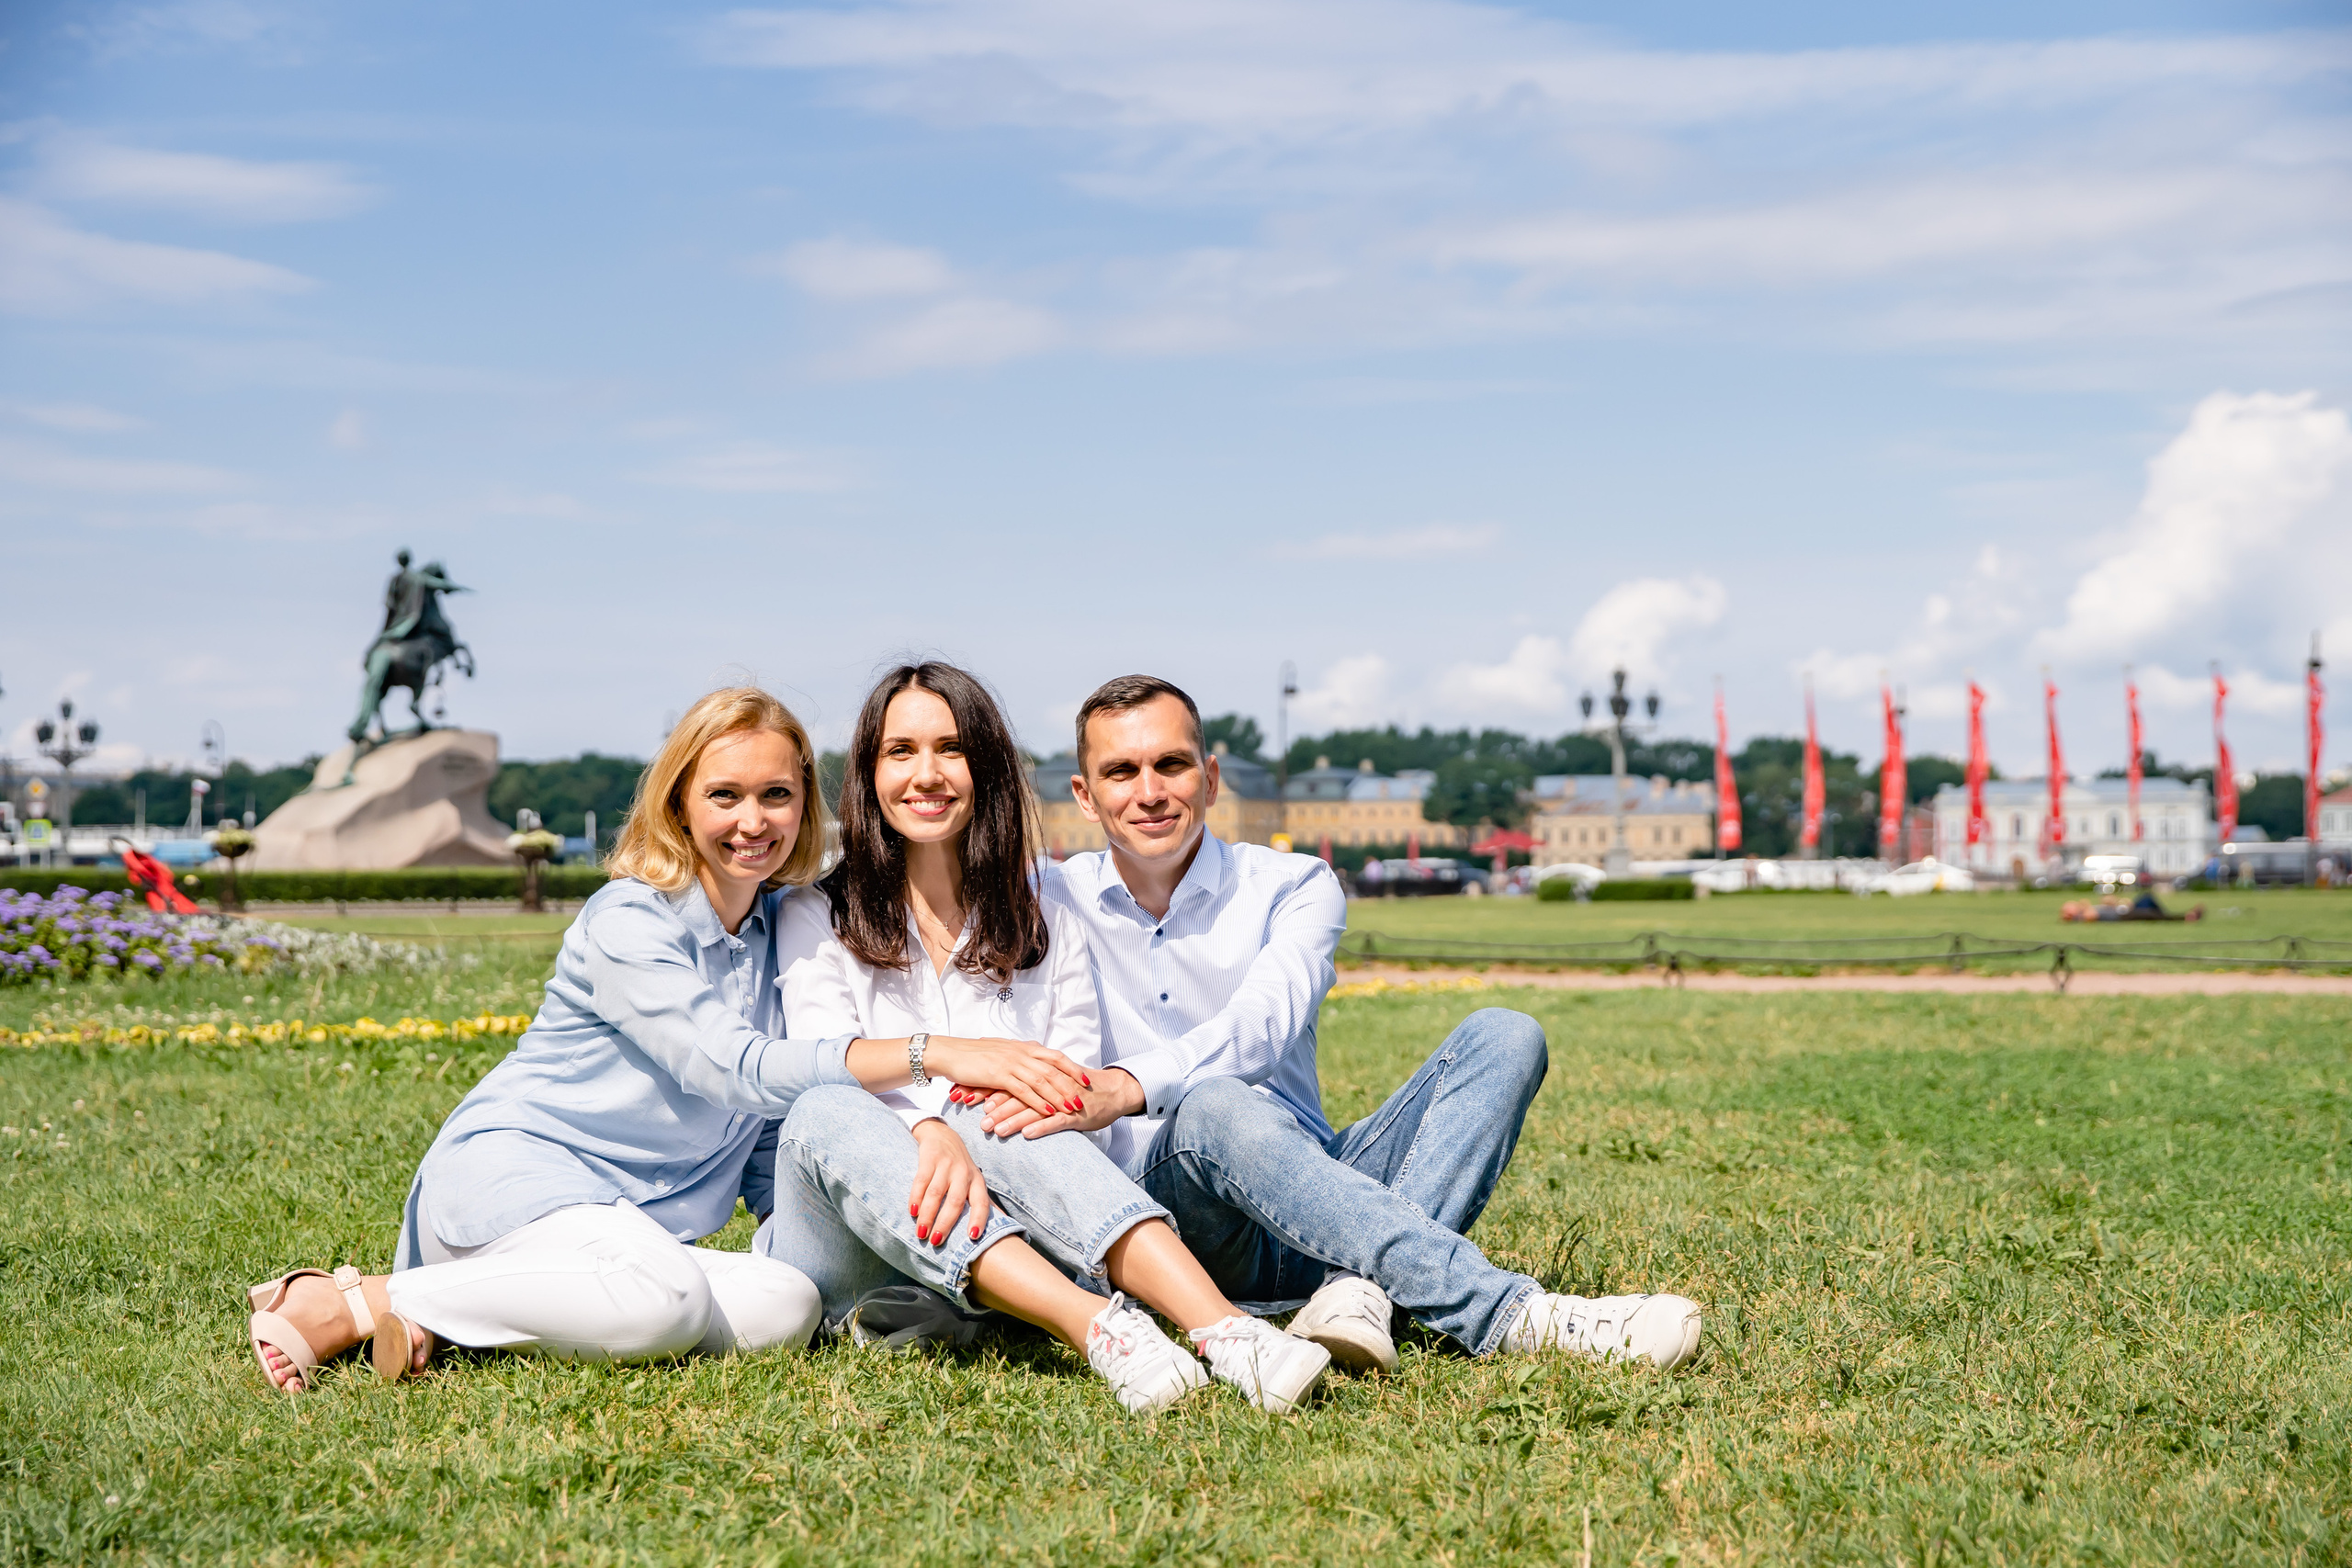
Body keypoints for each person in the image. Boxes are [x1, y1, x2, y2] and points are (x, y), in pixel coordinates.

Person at [977, 675, 1702, 1375]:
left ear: (1211, 777)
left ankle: (1352, 1290)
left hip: (1310, 1188)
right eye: (1121, 771)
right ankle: (1509, 1312)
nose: (1150, 791)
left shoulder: (1292, 882)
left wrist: (1124, 1084)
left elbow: (1262, 1027)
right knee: (1214, 1102)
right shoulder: (1044, 897)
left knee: (1506, 1034)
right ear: (1084, 794)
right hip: (1174, 1217)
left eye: (1172, 764)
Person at [754, 662, 1331, 1415]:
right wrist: (931, 1125)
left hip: (1010, 1228)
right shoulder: (816, 912)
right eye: (901, 751)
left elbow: (1073, 1096)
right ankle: (1099, 1326)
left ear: (986, 768)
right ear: (869, 772)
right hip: (857, 1252)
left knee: (1016, 1103)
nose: (926, 774)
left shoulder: (1046, 911)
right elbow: (827, 1065)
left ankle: (1224, 1329)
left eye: (951, 749)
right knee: (828, 1107)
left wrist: (975, 1118)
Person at [247, 688, 845, 1390]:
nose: (753, 819)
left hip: (628, 1239)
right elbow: (729, 1067)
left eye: (776, 793)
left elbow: (764, 1125)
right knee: (668, 1300)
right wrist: (918, 1054)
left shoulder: (786, 931)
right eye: (725, 794)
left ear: (804, 803)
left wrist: (788, 1221)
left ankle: (454, 1317)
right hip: (515, 1190)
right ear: (679, 802)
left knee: (785, 1303)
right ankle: (352, 1298)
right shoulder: (630, 916)